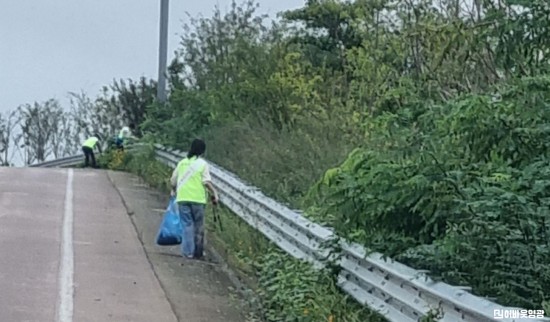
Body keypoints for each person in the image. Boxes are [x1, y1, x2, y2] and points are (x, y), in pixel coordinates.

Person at [170, 139, 219, 260]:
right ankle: (198, 252)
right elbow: (206, 181)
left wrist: (173, 189)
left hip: (182, 198)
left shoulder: (182, 163)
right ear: (202, 151)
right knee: (198, 226)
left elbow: (173, 180)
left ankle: (188, 253)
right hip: (198, 200)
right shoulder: (202, 164)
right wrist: (215, 193)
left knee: (187, 225)